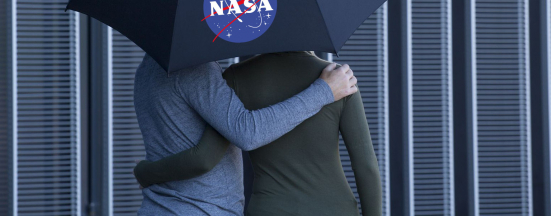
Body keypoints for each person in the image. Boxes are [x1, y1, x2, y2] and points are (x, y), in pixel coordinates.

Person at [134, 51, 382, 216]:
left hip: (268, 209)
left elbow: (204, 157)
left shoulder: (234, 77)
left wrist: (145, 172)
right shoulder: (338, 78)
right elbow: (367, 167)